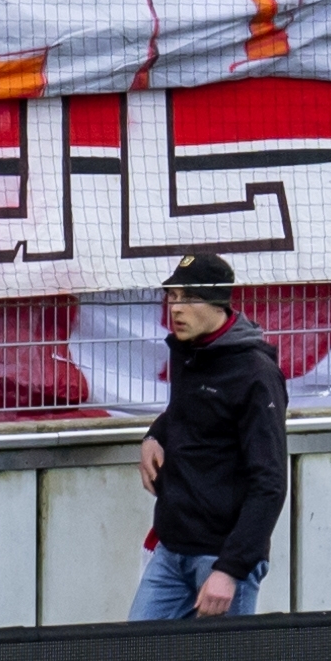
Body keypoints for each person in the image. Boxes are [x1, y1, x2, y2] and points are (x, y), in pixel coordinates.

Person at [127, 253, 284, 621]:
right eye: (173, 296)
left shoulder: (255, 375)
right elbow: (186, 411)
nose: (176, 309)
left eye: (189, 298)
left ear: (218, 304)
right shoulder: (189, 353)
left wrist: (229, 571)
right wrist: (154, 436)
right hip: (171, 550)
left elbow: (270, 483)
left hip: (220, 559)